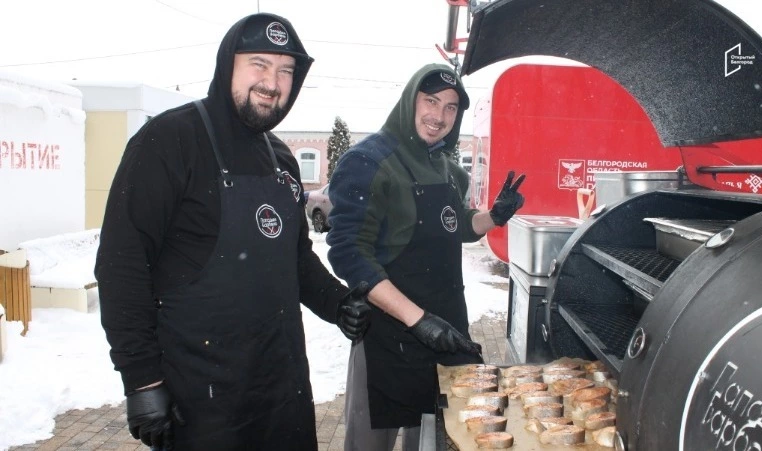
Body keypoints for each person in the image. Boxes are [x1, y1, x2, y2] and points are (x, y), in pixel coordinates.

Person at [94, 13, 371, 451]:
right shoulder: (169, 140)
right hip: (202, 398)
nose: (272, 81)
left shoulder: (282, 160)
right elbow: (121, 266)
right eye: (258, 64)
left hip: (282, 389)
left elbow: (294, 258)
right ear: (228, 66)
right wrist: (142, 378)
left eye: (285, 71)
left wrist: (338, 304)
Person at [326, 64, 526, 451]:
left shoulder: (447, 168)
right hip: (387, 338)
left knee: (433, 440)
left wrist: (493, 217)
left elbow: (457, 225)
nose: (439, 116)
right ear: (410, 101)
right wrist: (418, 320)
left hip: (445, 335)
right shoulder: (369, 161)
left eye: (451, 107)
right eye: (431, 101)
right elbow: (348, 251)